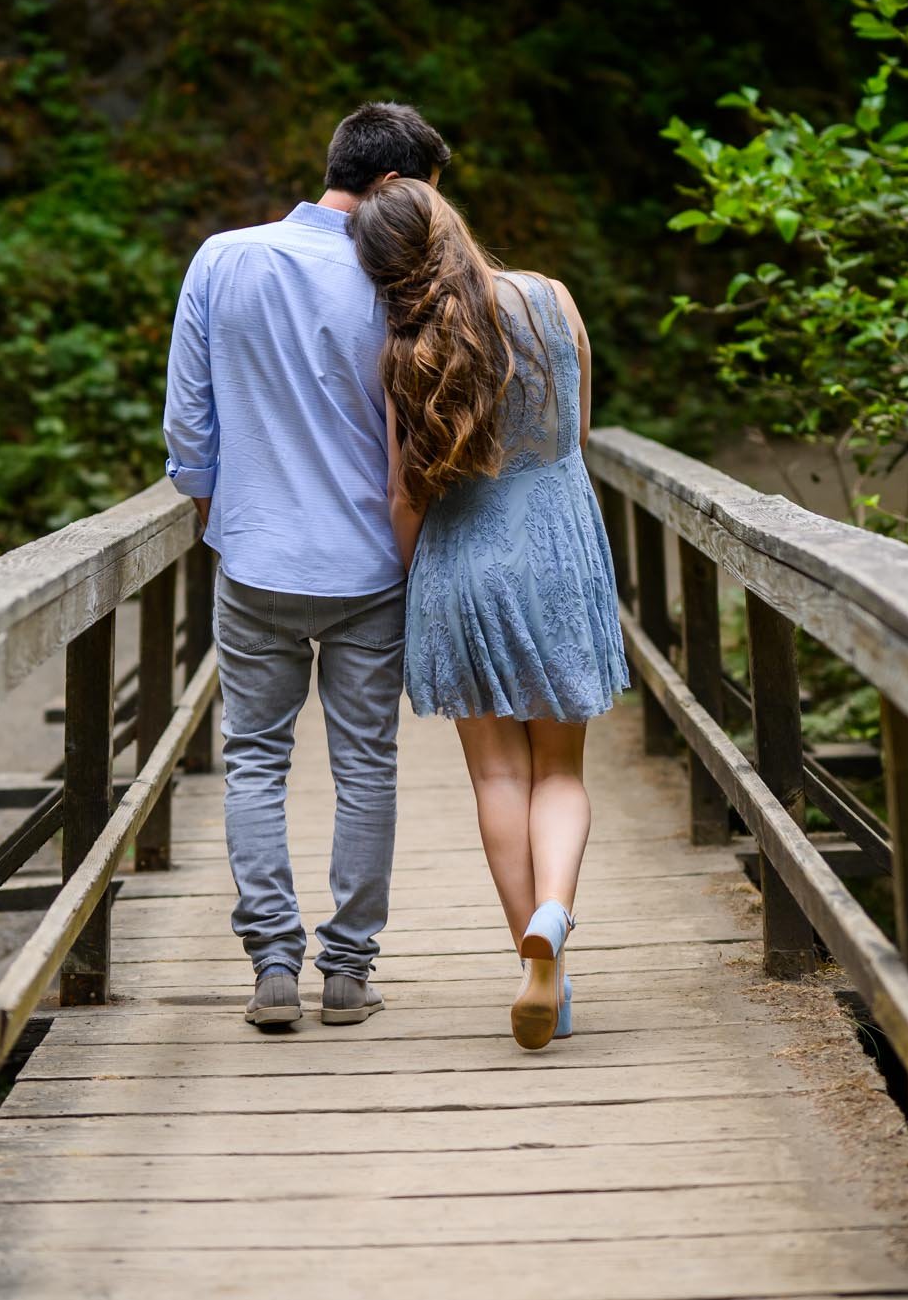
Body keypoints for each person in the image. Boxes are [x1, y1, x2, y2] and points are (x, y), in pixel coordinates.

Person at [162, 101, 452, 1031]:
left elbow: (187, 423)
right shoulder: (400, 275)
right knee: (366, 766)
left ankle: (272, 963)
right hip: (371, 566)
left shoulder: (222, 257)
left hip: (254, 559)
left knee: (254, 757)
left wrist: (223, 512)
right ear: (396, 187)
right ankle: (348, 969)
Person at [348, 178, 629, 1050]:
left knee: (497, 779)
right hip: (554, 551)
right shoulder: (549, 297)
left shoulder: (402, 350)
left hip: (459, 566)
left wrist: (411, 587)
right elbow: (575, 438)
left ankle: (535, 963)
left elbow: (402, 495)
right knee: (561, 775)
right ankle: (554, 918)